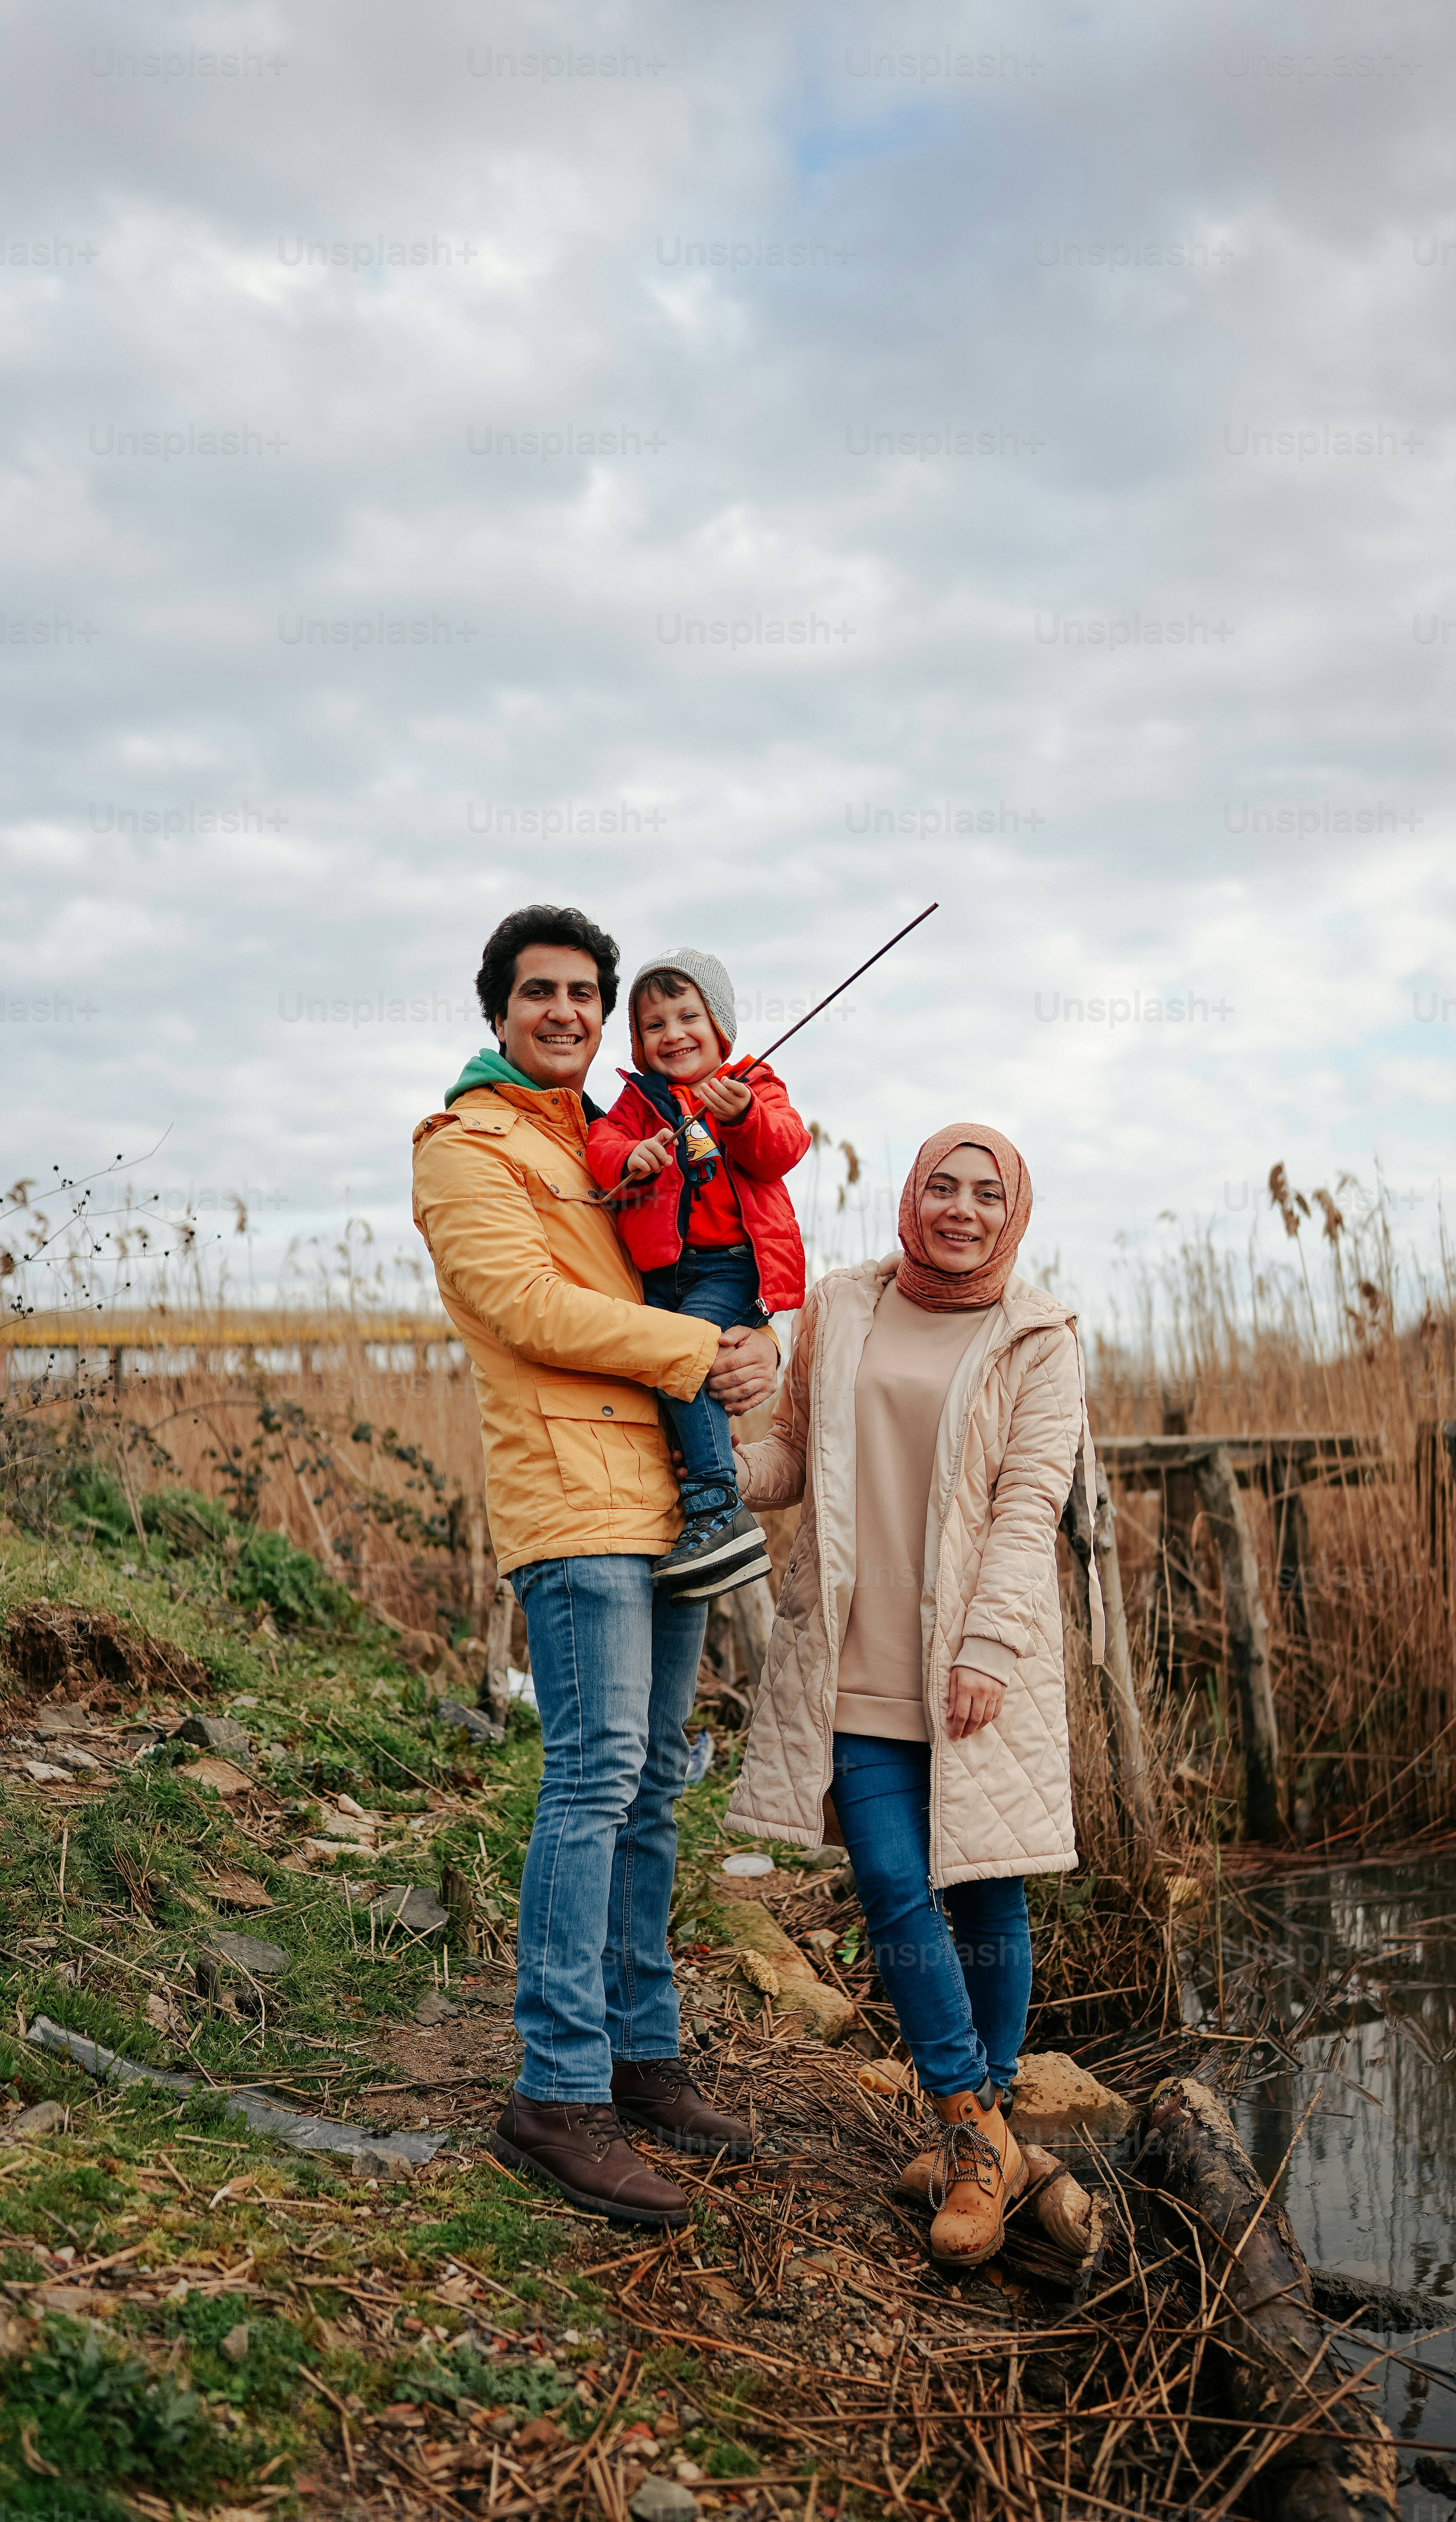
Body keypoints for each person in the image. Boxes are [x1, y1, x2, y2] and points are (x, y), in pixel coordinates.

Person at [411, 904, 781, 2227]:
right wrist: (691, 1353)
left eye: (584, 992)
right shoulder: (470, 1145)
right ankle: (554, 2092)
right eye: (538, 992)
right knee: (594, 1775)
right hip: (573, 1500)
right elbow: (524, 1306)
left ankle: (642, 2056)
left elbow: (707, 1264)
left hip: (667, 1496)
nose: (564, 1010)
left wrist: (748, 1346)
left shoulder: (613, 1133)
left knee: (654, 1789)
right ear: (499, 1011)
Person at [723, 1125, 1102, 2268]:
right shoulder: (841, 1306)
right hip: (853, 1658)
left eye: (988, 1193)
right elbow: (791, 1457)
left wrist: (987, 1644)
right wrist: (714, 1464)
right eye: (942, 1185)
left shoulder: (1039, 1338)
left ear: (1014, 1211)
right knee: (890, 1881)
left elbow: (1034, 1502)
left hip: (976, 1665)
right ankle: (980, 2131)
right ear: (910, 1196)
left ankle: (974, 2153)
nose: (963, 1207)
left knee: (986, 1893)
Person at [585, 949, 810, 1600]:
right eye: (655, 1025)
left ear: (720, 1028)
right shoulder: (638, 1102)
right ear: (638, 1040)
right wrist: (634, 1153)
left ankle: (719, 1508)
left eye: (689, 1017)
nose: (673, 1034)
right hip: (661, 1273)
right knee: (676, 1375)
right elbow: (601, 1150)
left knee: (682, 1348)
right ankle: (704, 1491)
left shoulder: (752, 1084)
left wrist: (741, 1116)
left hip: (729, 1265)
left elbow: (784, 1147)